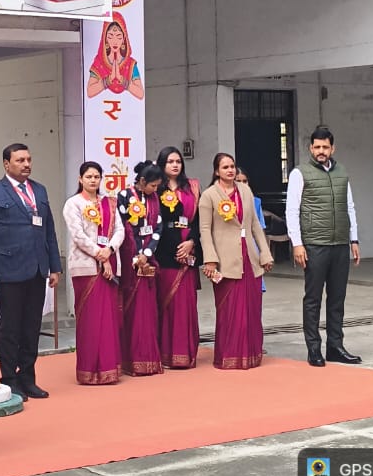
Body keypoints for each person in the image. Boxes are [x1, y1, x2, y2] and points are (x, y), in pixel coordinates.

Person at [0, 143, 62, 400]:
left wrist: (55, 266)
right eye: (20, 160)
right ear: (7, 164)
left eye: (28, 159)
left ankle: (27, 377)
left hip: (37, 269)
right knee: (11, 328)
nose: (26, 164)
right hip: (8, 270)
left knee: (31, 327)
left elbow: (49, 230)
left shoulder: (40, 190)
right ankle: (9, 379)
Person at [285, 126, 362, 368]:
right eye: (317, 147)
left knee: (337, 298)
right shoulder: (300, 173)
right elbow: (292, 210)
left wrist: (354, 239)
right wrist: (297, 244)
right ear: (311, 148)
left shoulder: (342, 173)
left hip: (339, 244)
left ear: (332, 148)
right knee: (313, 298)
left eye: (325, 147)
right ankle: (314, 348)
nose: (321, 151)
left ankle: (335, 347)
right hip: (315, 245)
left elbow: (349, 206)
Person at [199, 153, 274, 370]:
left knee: (251, 308)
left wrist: (265, 254)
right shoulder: (209, 196)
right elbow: (205, 230)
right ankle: (230, 355)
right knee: (230, 310)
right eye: (225, 167)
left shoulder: (245, 191)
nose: (230, 170)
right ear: (216, 171)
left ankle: (251, 354)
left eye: (232, 166)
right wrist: (210, 259)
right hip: (225, 260)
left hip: (248, 256)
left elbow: (255, 225)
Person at [63, 161, 125, 385]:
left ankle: (109, 368)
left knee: (108, 318)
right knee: (91, 319)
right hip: (86, 267)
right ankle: (89, 370)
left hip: (110, 262)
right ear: (80, 179)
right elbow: (78, 235)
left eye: (96, 177)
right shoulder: (73, 204)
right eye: (88, 176)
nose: (92, 180)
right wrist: (101, 255)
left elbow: (120, 230)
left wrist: (110, 250)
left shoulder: (110, 203)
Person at [154, 146, 201, 369]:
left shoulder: (192, 187)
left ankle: (186, 353)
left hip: (188, 250)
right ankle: (165, 354)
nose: (175, 165)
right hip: (164, 252)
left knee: (186, 304)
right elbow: (154, 221)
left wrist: (191, 243)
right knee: (166, 304)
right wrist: (174, 247)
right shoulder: (155, 188)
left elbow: (199, 221)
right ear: (162, 164)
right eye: (170, 162)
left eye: (178, 161)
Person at [116, 162, 164, 377]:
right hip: (131, 261)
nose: (155, 189)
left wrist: (147, 253)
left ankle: (149, 358)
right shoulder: (124, 195)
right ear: (142, 181)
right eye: (153, 185)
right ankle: (131, 359)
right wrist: (137, 255)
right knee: (133, 310)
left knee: (149, 310)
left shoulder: (154, 199)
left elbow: (158, 228)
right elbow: (124, 228)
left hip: (148, 259)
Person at [86, 12, 144, 99]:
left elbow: (141, 94)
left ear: (124, 39)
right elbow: (89, 92)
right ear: (105, 39)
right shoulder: (99, 62)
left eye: (119, 36)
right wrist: (109, 79)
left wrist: (121, 79)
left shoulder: (130, 64)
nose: (115, 41)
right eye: (110, 36)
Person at [235, 169, 266, 295]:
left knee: (254, 284)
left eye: (245, 181)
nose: (242, 184)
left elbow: (260, 228)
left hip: (251, 243)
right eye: (238, 181)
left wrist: (264, 251)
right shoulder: (225, 203)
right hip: (233, 244)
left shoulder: (256, 201)